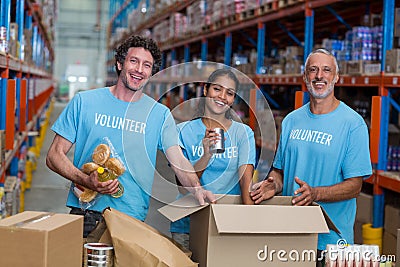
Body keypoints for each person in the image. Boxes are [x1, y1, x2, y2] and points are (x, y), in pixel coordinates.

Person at [46, 35, 215, 237]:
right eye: (133, 61)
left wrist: (197, 188)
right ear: (119, 63)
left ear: (151, 72)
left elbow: (178, 160)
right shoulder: (84, 102)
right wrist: (85, 180)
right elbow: (54, 156)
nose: (139, 70)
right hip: (87, 212)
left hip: (132, 217)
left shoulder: (159, 114)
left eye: (146, 65)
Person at [250, 48, 372, 264]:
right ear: (305, 77)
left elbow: (355, 186)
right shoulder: (291, 121)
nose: (319, 76)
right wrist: (273, 184)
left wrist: (315, 194)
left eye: (326, 70)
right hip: (291, 234)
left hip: (332, 242)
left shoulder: (353, 124)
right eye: (313, 70)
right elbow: (280, 170)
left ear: (336, 77)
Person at [170, 68, 256, 249]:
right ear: (205, 90)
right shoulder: (183, 132)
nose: (222, 96)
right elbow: (183, 187)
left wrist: (251, 224)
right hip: (187, 225)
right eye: (217, 89)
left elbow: (245, 182)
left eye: (230, 93)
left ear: (233, 99)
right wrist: (206, 155)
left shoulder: (243, 133)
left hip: (227, 224)